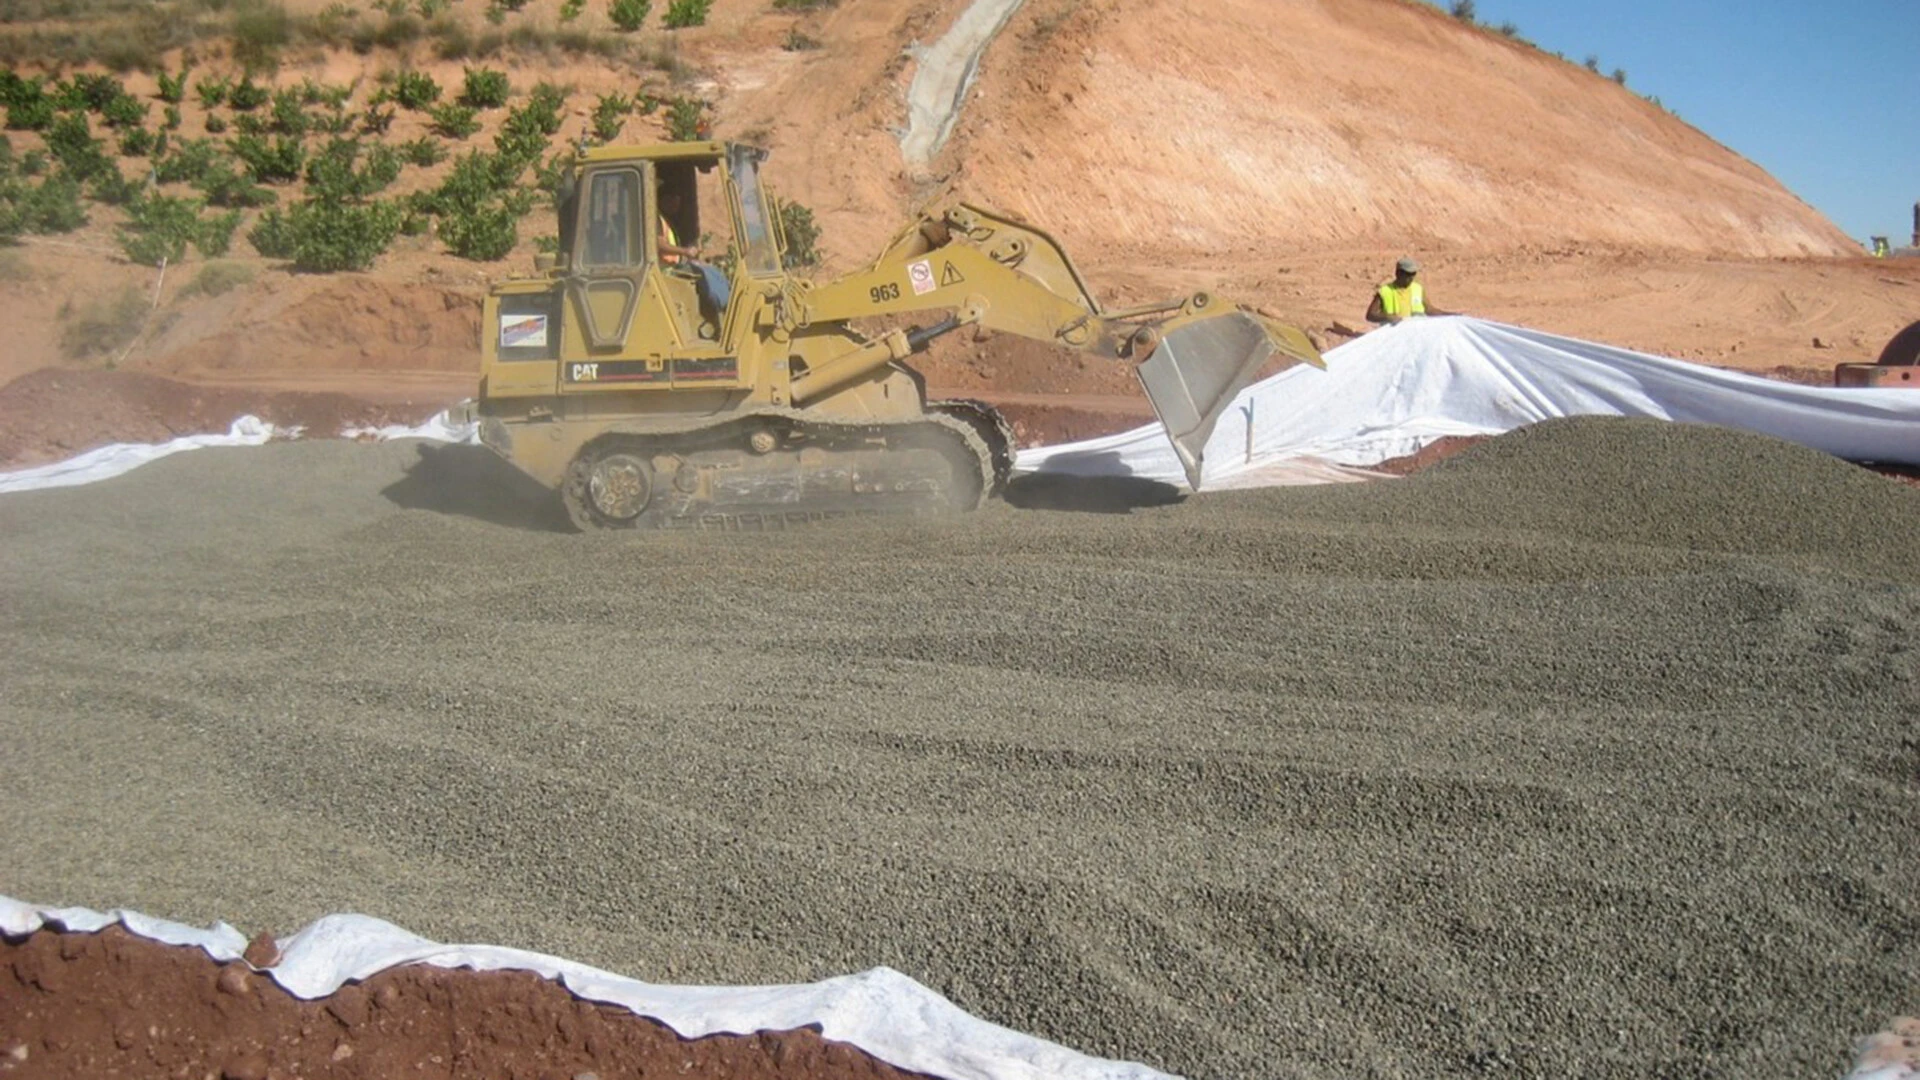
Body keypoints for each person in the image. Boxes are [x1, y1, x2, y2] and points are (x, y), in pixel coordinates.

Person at [1366, 257, 1453, 325]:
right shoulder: (1385, 291)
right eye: (1408, 274)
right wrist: (1388, 317)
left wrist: (1450, 315)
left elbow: (1429, 310)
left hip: (1415, 334)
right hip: (1394, 334)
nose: (1411, 277)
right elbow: (1370, 315)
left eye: (1413, 274)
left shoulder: (1417, 289)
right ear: (1398, 273)